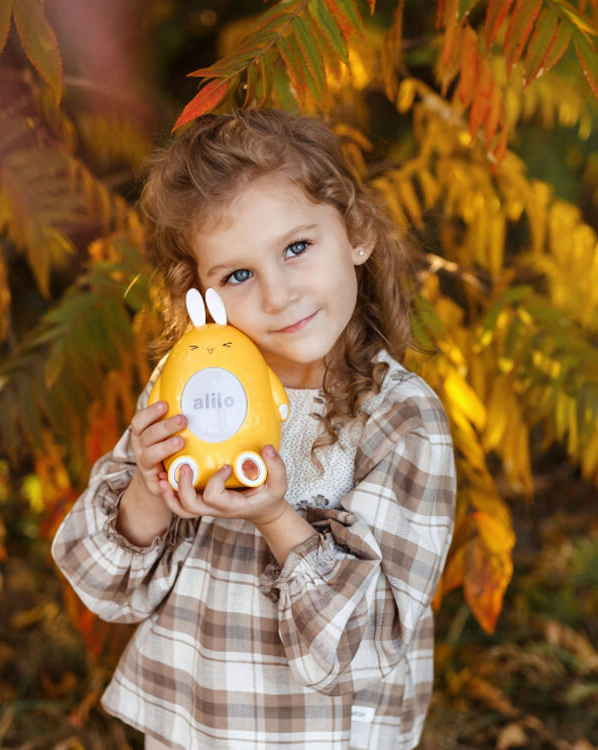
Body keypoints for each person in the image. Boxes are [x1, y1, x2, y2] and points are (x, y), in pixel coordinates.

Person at [52, 109, 456, 749]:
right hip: (192, 731)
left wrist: (276, 517)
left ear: (355, 232)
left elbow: (369, 643)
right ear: (201, 293)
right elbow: (102, 587)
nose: (278, 295)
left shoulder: (400, 419)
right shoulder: (189, 387)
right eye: (238, 275)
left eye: (297, 248)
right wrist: (148, 494)